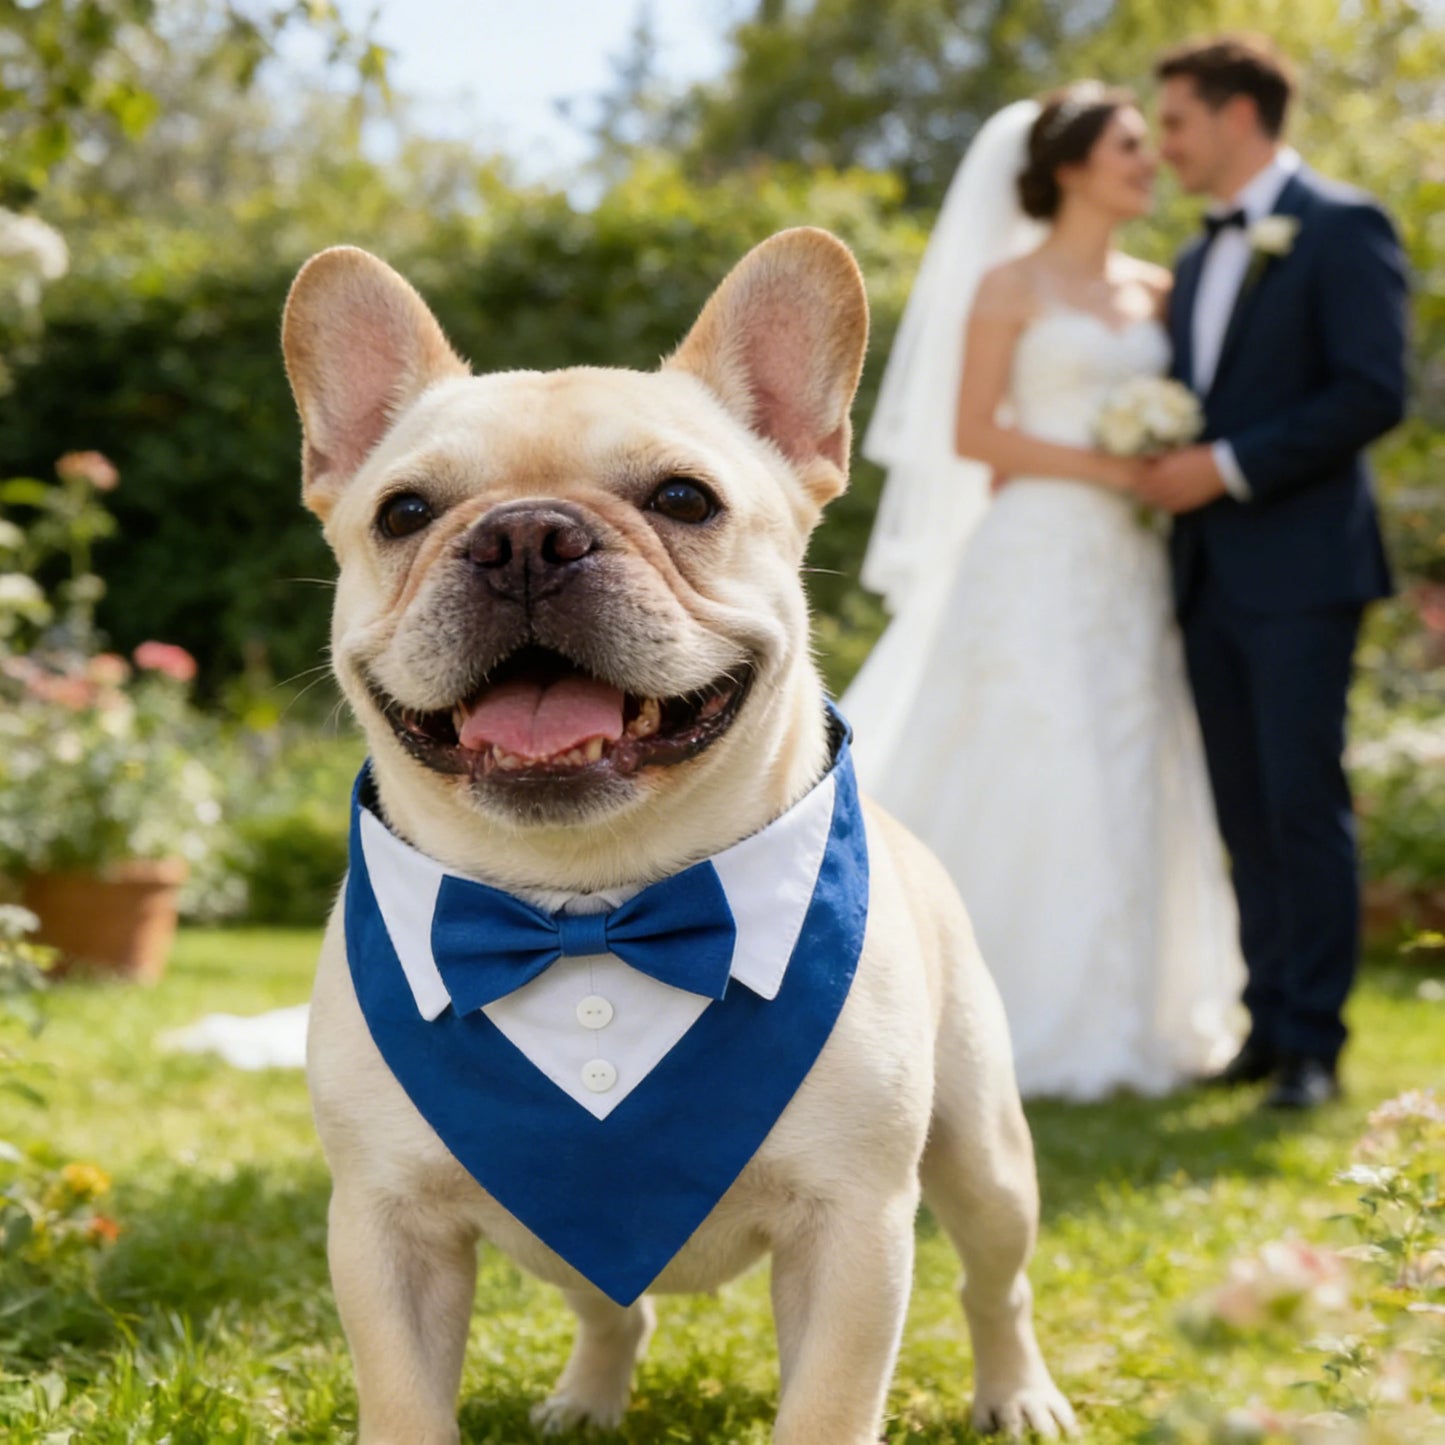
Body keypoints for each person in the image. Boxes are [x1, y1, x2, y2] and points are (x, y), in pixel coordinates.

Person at [844, 85, 1243, 1102]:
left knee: (1131, 756)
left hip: (1133, 562)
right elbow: (974, 433)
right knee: (1036, 752)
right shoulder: (1005, 285)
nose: (1147, 162)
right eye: (1126, 146)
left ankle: (1132, 1012)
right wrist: (1113, 467)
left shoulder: (1160, 288)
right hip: (1035, 552)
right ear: (1067, 167)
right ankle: (993, 1008)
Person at [1141, 36, 1408, 1109]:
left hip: (1302, 570)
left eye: (1174, 123)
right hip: (1203, 574)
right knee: (1240, 810)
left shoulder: (1342, 227)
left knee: (1301, 804)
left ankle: (1313, 1044)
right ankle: (1264, 1019)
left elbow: (1370, 391)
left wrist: (1225, 466)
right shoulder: (1197, 255)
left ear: (1237, 114)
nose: (1163, 147)